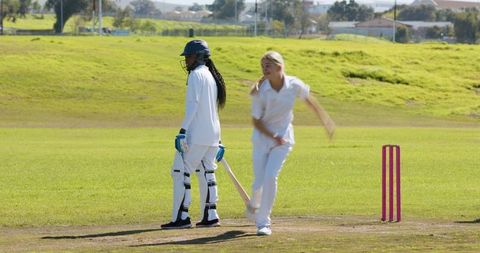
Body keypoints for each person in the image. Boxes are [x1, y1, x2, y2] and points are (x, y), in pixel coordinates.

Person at [248, 51, 335, 236]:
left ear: (279, 67)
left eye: (268, 65)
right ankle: (254, 202)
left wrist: (326, 121)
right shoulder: (261, 92)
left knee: (270, 177)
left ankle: (263, 223)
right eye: (262, 66)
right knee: (258, 184)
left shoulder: (294, 84)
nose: (264, 69)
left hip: (284, 139)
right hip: (262, 138)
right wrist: (272, 136)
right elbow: (256, 121)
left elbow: (310, 101)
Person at [161, 40, 227, 229]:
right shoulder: (211, 76)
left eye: (188, 56)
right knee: (207, 171)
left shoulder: (196, 76)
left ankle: (181, 217)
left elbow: (194, 105)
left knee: (180, 172)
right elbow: (213, 110)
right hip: (212, 134)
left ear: (198, 56)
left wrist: (182, 131)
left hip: (196, 134)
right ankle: (211, 215)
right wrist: (219, 140)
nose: (186, 60)